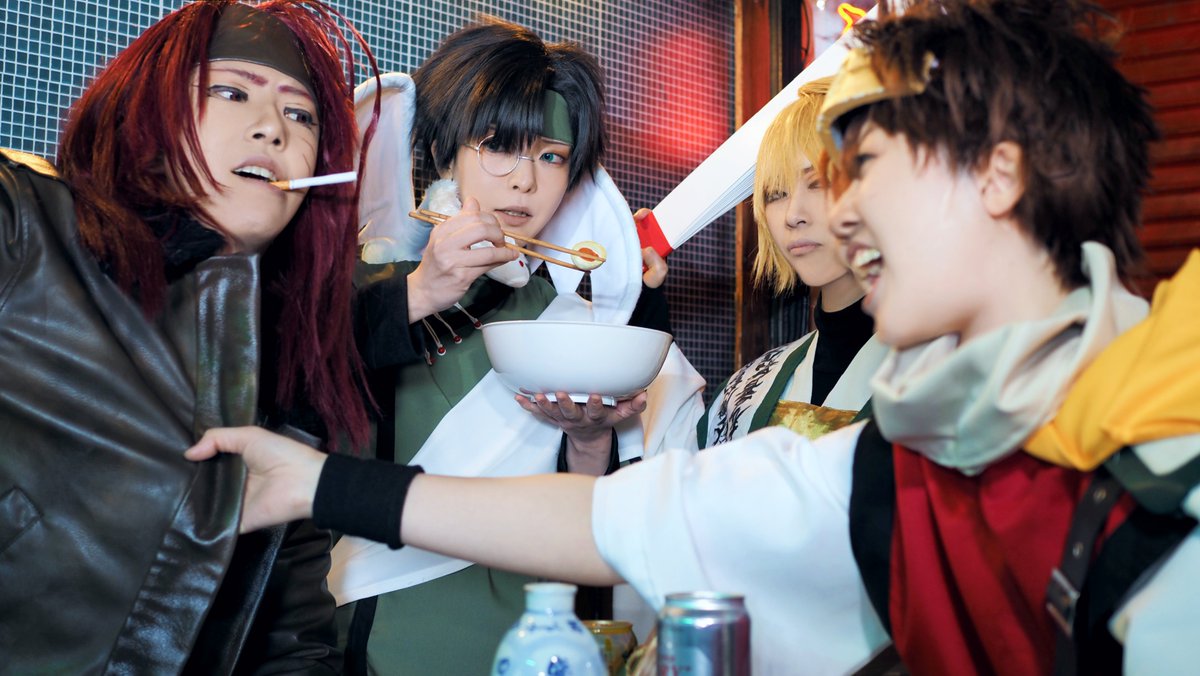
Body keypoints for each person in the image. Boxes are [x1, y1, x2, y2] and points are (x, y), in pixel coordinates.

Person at [188, 0, 1200, 673]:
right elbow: (613, 520)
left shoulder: (1168, 446)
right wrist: (313, 481)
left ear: (999, 176)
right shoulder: (892, 466)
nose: (835, 215)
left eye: (865, 168)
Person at [0, 1, 376, 671]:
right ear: (148, 111)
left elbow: (291, 635)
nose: (272, 129)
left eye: (301, 115)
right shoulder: (27, 224)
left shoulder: (291, 354)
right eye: (232, 93)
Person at [336, 17, 704, 674]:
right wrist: (420, 292)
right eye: (499, 147)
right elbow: (280, 410)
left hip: (529, 648)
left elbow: (595, 530)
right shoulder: (362, 285)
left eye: (552, 157)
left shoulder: (583, 321)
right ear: (444, 153)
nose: (525, 182)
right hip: (362, 642)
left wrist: (589, 440)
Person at [698, 76, 886, 448]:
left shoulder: (953, 372)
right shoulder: (741, 395)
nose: (792, 215)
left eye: (818, 183)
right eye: (776, 193)